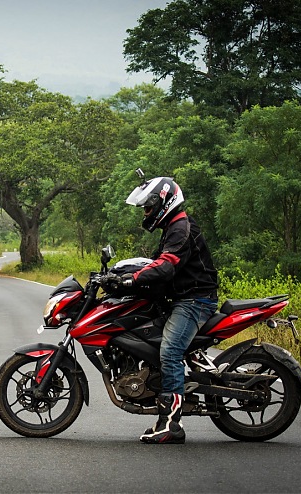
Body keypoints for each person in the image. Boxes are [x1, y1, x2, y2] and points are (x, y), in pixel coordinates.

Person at [104, 175, 218, 444]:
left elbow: (166, 265)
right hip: (180, 298)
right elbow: (156, 263)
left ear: (163, 202)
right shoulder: (173, 226)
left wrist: (133, 278)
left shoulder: (181, 228)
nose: (145, 213)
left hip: (194, 301)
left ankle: (170, 425)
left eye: (147, 207)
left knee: (169, 351)